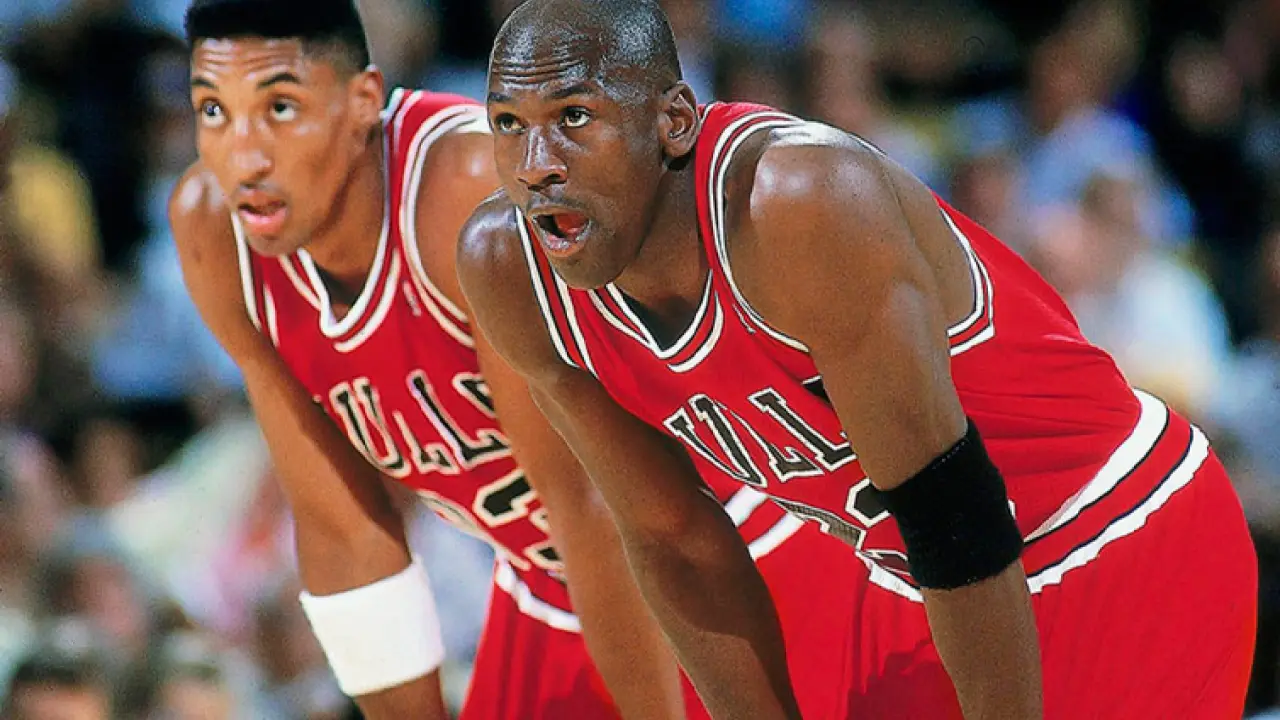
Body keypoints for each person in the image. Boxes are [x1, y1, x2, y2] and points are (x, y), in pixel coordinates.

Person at [456, 1, 1259, 718]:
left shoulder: (798, 204)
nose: (536, 164)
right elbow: (674, 539)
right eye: (508, 124)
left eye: (574, 117)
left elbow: (956, 520)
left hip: (1116, 528)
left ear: (673, 120)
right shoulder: (510, 268)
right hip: (924, 579)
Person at [169, 1, 863, 719]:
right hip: (552, 581)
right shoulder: (215, 231)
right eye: (213, 111)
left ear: (363, 101)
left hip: (732, 546)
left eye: (280, 109)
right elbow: (342, 532)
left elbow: (596, 503)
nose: (244, 156)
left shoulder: (465, 193)